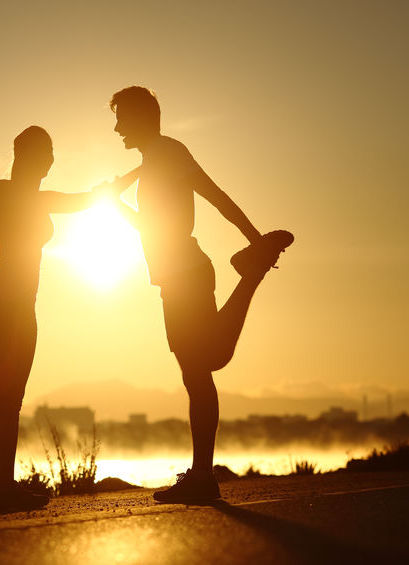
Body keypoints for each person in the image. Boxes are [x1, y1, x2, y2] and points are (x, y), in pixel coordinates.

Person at [104, 86, 293, 503]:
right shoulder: (154, 161)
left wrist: (255, 238)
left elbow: (216, 195)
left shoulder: (169, 152)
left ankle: (203, 478)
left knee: (203, 367)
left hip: (186, 272)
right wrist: (116, 206)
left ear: (140, 118)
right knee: (203, 366)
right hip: (176, 276)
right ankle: (202, 476)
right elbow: (154, 227)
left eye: (121, 119)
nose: (116, 128)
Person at [0, 125, 119, 512]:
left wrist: (118, 184)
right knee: (2, 398)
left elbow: (85, 200)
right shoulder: (16, 194)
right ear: (25, 154)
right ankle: (4, 490)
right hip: (11, 306)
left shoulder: (25, 195)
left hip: (5, 302)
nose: (52, 158)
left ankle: (5, 487)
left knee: (4, 399)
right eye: (46, 150)